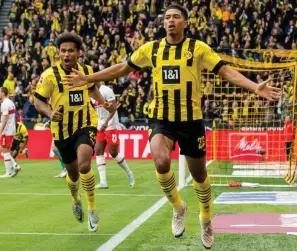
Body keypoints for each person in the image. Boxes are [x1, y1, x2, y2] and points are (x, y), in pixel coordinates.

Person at [63, 4, 281, 248]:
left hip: (191, 121)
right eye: (167, 17)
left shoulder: (197, 48)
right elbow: (122, 68)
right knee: (161, 161)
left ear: (185, 23)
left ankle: (206, 219)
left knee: (199, 175)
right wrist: (88, 78)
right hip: (161, 120)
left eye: (176, 17)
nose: (171, 21)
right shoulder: (152, 49)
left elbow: (226, 72)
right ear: (163, 23)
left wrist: (254, 87)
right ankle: (179, 207)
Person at [34, 32, 115, 232]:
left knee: (85, 164)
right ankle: (75, 198)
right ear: (58, 53)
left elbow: (92, 89)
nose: (66, 54)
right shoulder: (49, 75)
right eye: (63, 51)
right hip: (61, 131)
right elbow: (38, 101)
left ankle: (93, 209)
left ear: (79, 53)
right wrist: (51, 113)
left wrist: (104, 104)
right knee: (73, 174)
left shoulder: (86, 70)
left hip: (85, 124)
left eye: (71, 50)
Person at [91, 83, 135, 188]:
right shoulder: (91, 93)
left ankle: (129, 173)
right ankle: (103, 182)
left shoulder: (106, 90)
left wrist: (106, 122)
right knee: (98, 150)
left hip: (111, 125)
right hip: (101, 125)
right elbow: (96, 110)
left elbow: (113, 108)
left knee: (113, 152)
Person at [0, 87, 21, 178]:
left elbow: (5, 119)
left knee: (5, 150)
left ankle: (9, 172)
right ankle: (14, 165)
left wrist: (0, 132)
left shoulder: (4, 104)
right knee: (5, 150)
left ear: (3, 93)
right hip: (11, 129)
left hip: (7, 130)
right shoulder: (11, 102)